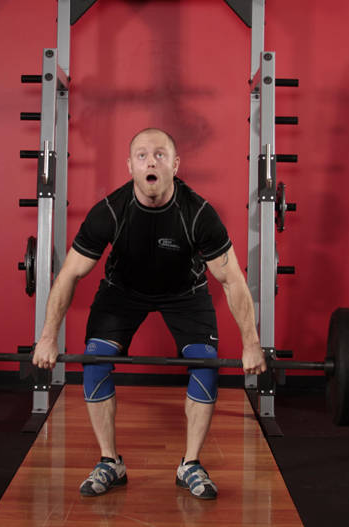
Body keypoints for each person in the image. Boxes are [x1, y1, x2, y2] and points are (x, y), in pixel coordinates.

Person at [32, 127, 266, 500]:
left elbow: (234, 280)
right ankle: (110, 462)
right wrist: (47, 337)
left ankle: (190, 464)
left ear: (175, 164)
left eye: (159, 154)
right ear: (130, 167)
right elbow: (70, 274)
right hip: (122, 293)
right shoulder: (110, 210)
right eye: (141, 155)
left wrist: (252, 344)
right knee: (94, 362)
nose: (150, 161)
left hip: (185, 294)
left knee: (205, 365)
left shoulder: (199, 212)